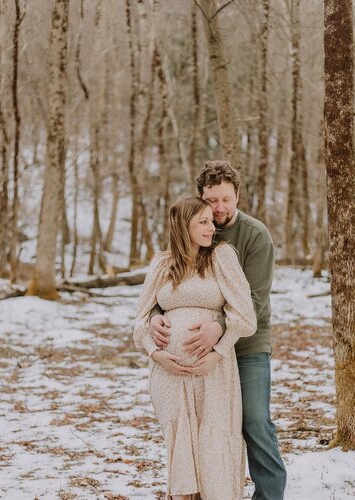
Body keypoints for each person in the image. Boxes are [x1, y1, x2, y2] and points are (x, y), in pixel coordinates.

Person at [150, 161, 287, 500]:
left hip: (247, 346)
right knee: (201, 429)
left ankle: (269, 496)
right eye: (212, 201)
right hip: (196, 355)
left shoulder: (254, 236)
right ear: (201, 198)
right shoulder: (191, 228)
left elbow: (253, 299)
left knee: (254, 421)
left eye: (226, 199)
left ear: (238, 196)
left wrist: (219, 329)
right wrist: (154, 314)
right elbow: (170, 286)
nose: (220, 209)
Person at [134, 196, 257, 500]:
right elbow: (139, 323)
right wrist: (156, 352)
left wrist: (218, 352)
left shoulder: (221, 257)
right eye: (201, 222)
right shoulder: (162, 264)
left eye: (210, 221)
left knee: (214, 444)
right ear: (181, 226)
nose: (211, 227)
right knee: (181, 448)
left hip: (211, 372)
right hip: (169, 375)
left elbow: (245, 317)